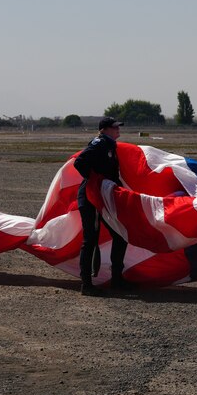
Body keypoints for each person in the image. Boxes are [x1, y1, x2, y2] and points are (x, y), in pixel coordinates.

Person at [74, 116, 129, 296]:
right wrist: (95, 183)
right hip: (91, 199)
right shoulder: (99, 144)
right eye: (115, 128)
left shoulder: (110, 145)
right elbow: (80, 162)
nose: (118, 130)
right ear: (104, 129)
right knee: (91, 239)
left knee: (120, 235)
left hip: (103, 198)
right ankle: (86, 284)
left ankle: (117, 279)